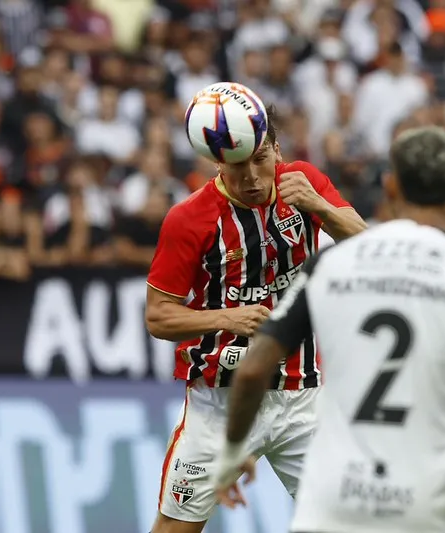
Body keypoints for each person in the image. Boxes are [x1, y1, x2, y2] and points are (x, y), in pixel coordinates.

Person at [214, 126, 445, 533]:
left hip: (332, 501)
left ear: (390, 185)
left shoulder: (331, 265)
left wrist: (232, 449)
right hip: (423, 501)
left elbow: (256, 368)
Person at [145, 104, 367, 533]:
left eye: (260, 159)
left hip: (301, 396)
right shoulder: (189, 219)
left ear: (276, 151)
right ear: (218, 164)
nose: (250, 177)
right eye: (237, 165)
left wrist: (320, 205)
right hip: (219, 403)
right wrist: (225, 317)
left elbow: (366, 243)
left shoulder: (304, 182)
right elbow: (158, 316)